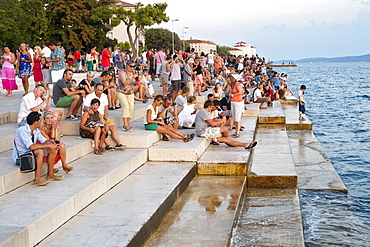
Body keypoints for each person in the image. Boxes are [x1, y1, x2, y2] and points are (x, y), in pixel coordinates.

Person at [13, 112, 63, 186]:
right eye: (40, 120)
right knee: (39, 151)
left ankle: (50, 174)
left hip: (32, 153)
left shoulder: (36, 130)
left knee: (52, 149)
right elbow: (31, 146)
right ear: (36, 122)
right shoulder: (22, 130)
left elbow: (44, 140)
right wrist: (48, 145)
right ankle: (37, 179)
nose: (41, 122)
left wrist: (53, 144)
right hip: (22, 157)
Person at [83, 83, 126, 150]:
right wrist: (88, 109)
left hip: (102, 116)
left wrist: (105, 118)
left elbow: (106, 108)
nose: (100, 92)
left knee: (113, 127)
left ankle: (118, 143)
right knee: (103, 129)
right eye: (98, 90)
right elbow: (84, 108)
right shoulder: (90, 96)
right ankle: (106, 145)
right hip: (94, 117)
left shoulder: (104, 96)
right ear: (95, 89)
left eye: (101, 90)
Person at [117, 60, 137, 131]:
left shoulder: (134, 72)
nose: (132, 68)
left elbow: (136, 82)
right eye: (131, 66)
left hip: (130, 92)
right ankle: (125, 125)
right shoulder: (122, 73)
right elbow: (125, 83)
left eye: (133, 66)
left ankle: (127, 124)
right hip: (121, 92)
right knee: (125, 106)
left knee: (131, 108)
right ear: (127, 65)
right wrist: (132, 78)